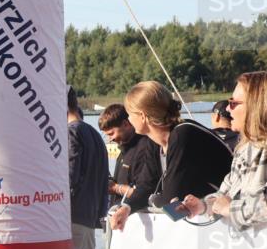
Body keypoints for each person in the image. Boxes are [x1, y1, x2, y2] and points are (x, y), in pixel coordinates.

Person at [124, 81, 232, 209]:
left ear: (142, 116)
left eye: (129, 114)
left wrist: (154, 198)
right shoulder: (154, 141)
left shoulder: (183, 135)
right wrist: (126, 208)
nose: (129, 119)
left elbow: (170, 199)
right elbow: (147, 185)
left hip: (228, 213)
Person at [180, 71, 267, 231]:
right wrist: (201, 206)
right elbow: (224, 195)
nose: (228, 108)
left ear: (256, 107)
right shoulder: (243, 149)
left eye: (233, 103)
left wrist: (230, 209)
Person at [99, 103, 162, 232]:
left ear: (125, 124)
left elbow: (145, 191)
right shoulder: (125, 149)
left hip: (137, 224)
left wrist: (115, 187)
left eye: (111, 133)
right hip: (122, 222)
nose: (110, 139)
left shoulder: (145, 147)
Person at [66, 87, 109, 249]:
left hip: (72, 219)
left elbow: (70, 176)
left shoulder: (71, 132)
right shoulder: (95, 135)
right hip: (90, 222)